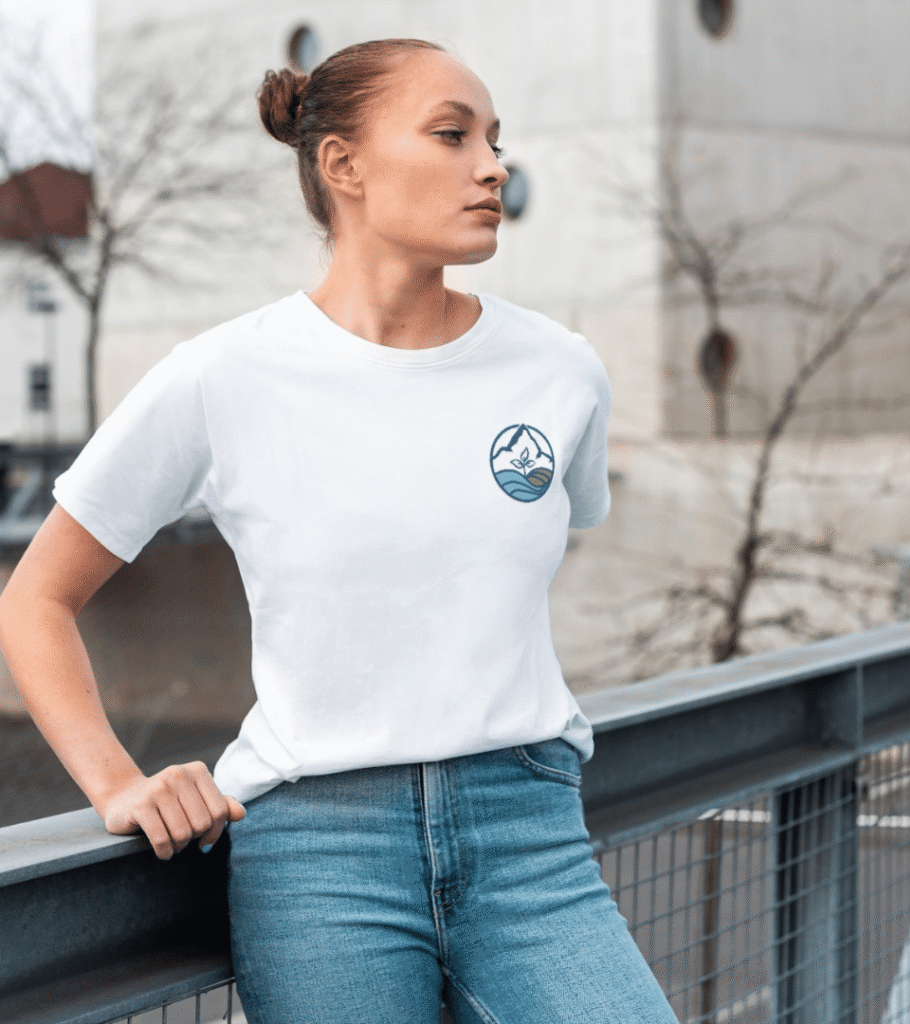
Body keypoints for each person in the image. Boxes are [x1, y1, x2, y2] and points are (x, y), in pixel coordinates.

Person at [0, 38, 679, 1024]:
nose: (492, 167)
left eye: (493, 141)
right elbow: (35, 598)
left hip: (528, 832)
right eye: (451, 135)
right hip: (319, 853)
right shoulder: (224, 375)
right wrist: (116, 784)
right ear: (343, 165)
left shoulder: (560, 371)